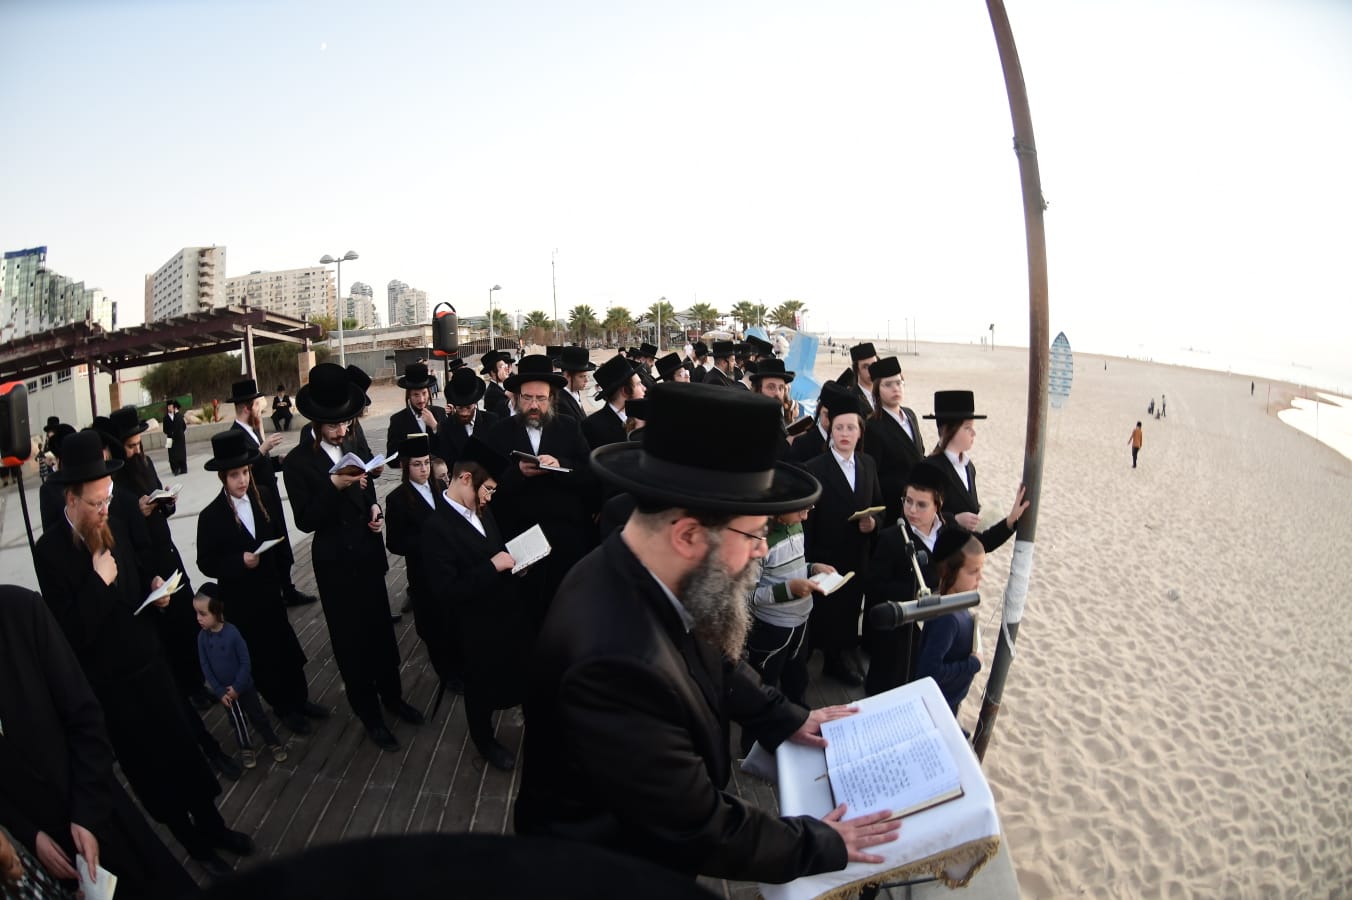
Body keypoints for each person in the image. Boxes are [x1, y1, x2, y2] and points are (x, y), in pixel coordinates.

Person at [514, 382, 900, 882]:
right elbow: (698, 827)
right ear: (689, 535)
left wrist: (785, 717)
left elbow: (709, 655)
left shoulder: (644, 566)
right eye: (754, 533)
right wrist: (823, 842)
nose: (762, 549)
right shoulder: (614, 664)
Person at [33, 430, 252, 877]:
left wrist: (156, 591)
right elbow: (70, 633)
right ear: (70, 499)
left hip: (151, 666)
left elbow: (135, 582)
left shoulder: (114, 523)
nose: (104, 509)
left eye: (108, 498)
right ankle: (194, 844)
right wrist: (97, 582)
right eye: (96, 503)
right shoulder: (50, 552)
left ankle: (215, 827)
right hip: (113, 690)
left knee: (184, 755)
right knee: (154, 773)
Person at [0, 584, 198, 898]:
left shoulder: (19, 611)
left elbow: (85, 716)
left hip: (97, 808)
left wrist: (86, 814)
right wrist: (30, 834)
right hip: (51, 847)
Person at [283, 363, 423, 752]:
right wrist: (332, 485)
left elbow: (367, 485)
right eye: (334, 424)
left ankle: (393, 698)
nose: (342, 429)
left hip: (366, 551)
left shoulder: (353, 443)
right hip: (335, 563)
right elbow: (306, 519)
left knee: (381, 634)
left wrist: (374, 509)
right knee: (351, 643)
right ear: (316, 422)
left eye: (345, 421)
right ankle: (370, 716)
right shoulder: (297, 463)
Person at [197, 429, 323, 736]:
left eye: (245, 472)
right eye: (234, 475)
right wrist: (238, 562)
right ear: (223, 478)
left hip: (270, 592)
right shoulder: (211, 516)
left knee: (285, 649)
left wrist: (282, 577)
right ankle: (283, 707)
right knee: (263, 656)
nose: (242, 480)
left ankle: (300, 699)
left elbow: (278, 538)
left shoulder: (263, 496)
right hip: (242, 601)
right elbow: (206, 562)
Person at [863, 461, 1025, 696]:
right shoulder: (892, 537)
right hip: (900, 640)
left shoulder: (948, 529)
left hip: (936, 632)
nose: (912, 510)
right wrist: (916, 592)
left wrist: (1010, 522)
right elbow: (874, 586)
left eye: (921, 504)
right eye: (907, 501)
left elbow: (980, 544)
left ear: (937, 505)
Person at [420, 438, 528, 770]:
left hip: (504, 613)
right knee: (479, 690)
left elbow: (495, 549)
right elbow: (446, 591)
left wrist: (516, 563)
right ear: (466, 478)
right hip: (473, 628)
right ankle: (484, 742)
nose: (490, 497)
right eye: (488, 489)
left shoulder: (481, 509)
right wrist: (492, 567)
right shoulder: (436, 527)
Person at [485, 354, 598, 617]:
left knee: (567, 609)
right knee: (528, 611)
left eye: (541, 398)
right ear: (516, 398)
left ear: (552, 398)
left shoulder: (569, 426)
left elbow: (588, 472)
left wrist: (560, 465)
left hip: (565, 537)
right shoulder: (499, 432)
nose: (534, 405)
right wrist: (517, 473)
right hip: (521, 539)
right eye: (527, 398)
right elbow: (488, 485)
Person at [740, 502, 835, 754]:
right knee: (764, 685)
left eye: (810, 508)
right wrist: (787, 591)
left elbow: (791, 569)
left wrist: (812, 568)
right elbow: (746, 596)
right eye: (801, 509)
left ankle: (798, 726)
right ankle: (753, 748)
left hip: (801, 622)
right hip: (771, 630)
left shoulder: (796, 526)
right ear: (780, 507)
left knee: (797, 679)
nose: (806, 516)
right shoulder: (759, 542)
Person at [802, 393, 883, 687]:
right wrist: (810, 561)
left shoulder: (868, 464)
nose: (845, 433)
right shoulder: (815, 468)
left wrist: (873, 524)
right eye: (839, 427)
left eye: (851, 428)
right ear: (830, 430)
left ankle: (838, 659)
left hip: (858, 554)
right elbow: (807, 523)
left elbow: (879, 504)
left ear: (860, 432)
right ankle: (821, 662)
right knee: (825, 614)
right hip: (826, 556)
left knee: (850, 611)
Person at [227, 378, 318, 608]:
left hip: (270, 496)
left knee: (280, 543)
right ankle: (279, 592)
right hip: (257, 501)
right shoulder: (235, 435)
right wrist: (262, 449)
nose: (260, 409)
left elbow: (261, 463)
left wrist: (278, 460)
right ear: (247, 407)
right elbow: (241, 469)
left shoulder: (251, 430)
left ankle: (287, 588)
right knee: (270, 546)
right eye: (257, 405)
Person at [386, 434, 462, 691]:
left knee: (453, 619)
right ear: (405, 466)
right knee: (434, 626)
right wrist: (429, 541)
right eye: (417, 464)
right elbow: (394, 543)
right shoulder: (397, 499)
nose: (423, 469)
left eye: (426, 463)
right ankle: (447, 674)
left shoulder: (441, 487)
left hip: (451, 567)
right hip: (423, 573)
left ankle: (461, 664)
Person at [193, 584, 289, 769]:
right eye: (196, 613)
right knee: (237, 721)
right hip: (225, 693)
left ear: (217, 611)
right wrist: (219, 691)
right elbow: (205, 666)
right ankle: (246, 747)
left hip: (244, 688)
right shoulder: (202, 638)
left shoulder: (232, 633)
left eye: (203, 613)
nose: (198, 618)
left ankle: (272, 742)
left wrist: (238, 686)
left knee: (257, 716)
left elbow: (245, 662)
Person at [914, 529, 989, 717]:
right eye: (973, 571)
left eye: (981, 570)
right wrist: (973, 664)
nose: (980, 577)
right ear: (948, 571)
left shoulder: (958, 603)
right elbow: (928, 672)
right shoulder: (947, 618)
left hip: (949, 704)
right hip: (937, 709)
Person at [864, 356, 926, 526]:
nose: (895, 388)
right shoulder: (873, 426)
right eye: (888, 384)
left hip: (920, 500)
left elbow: (920, 451)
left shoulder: (910, 415)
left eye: (899, 383)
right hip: (894, 505)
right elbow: (873, 474)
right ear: (877, 389)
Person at [924, 390, 987, 531]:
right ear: (948, 431)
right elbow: (917, 515)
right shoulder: (928, 468)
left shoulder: (968, 466)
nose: (974, 433)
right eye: (967, 428)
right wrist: (954, 519)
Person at [386, 362, 447, 465]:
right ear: (409, 395)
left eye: (424, 393)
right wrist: (412, 462)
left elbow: (450, 447)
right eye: (416, 395)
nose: (421, 400)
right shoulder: (397, 420)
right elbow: (392, 458)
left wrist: (435, 426)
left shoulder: (440, 413)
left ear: (429, 392)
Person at [438, 367, 500, 465]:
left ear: (475, 403)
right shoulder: (446, 427)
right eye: (460, 408)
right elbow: (447, 461)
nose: (464, 413)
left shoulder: (492, 421)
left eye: (468, 407)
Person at [582, 355, 643, 450]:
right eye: (638, 384)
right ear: (625, 390)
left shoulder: (642, 418)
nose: (644, 388)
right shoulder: (594, 426)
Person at [555, 346, 597, 420]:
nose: (586, 380)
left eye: (586, 376)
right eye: (581, 376)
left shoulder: (575, 392)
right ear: (567, 375)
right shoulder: (560, 403)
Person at [844, 342, 879, 412]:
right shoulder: (850, 399)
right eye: (866, 367)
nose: (871, 370)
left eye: (874, 364)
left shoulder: (884, 393)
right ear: (857, 370)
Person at [480, 350, 515, 420]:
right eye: (501, 366)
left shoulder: (507, 384)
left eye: (505, 364)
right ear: (493, 372)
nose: (506, 368)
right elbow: (507, 414)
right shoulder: (491, 393)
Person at [163, 398, 189, 475]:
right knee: (171, 455)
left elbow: (184, 426)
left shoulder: (178, 416)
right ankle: (175, 469)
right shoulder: (165, 418)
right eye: (168, 406)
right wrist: (170, 433)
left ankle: (183, 468)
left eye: (171, 406)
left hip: (179, 437)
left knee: (181, 453)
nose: (170, 408)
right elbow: (164, 430)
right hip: (169, 438)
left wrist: (180, 433)